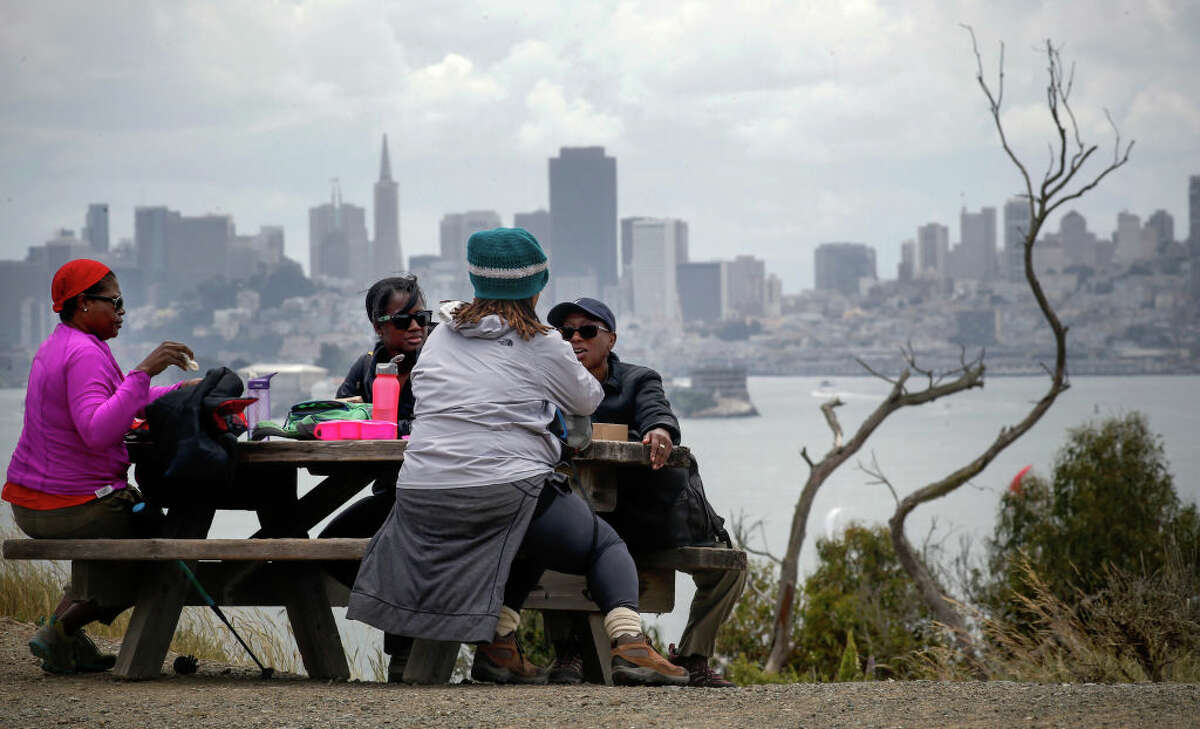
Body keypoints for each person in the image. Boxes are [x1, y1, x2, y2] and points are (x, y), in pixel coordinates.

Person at [347, 228, 689, 686]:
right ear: (536, 286)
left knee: (527, 530)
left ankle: (501, 647)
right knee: (603, 545)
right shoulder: (542, 342)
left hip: (421, 499)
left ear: (476, 280)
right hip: (506, 490)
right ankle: (630, 646)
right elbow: (587, 399)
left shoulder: (441, 339)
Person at [3, 259, 197, 675]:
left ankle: (65, 640)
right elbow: (96, 430)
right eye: (116, 303)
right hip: (69, 506)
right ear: (84, 303)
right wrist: (146, 369)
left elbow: (115, 403)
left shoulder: (64, 344)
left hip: (36, 503)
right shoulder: (83, 354)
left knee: (124, 531)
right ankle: (62, 630)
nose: (122, 313)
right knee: (157, 542)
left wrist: (178, 392)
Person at [543, 296, 747, 687]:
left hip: (644, 519)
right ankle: (569, 654)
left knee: (728, 567)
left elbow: (658, 411)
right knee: (550, 542)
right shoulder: (548, 384)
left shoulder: (639, 379)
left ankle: (693, 657)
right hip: (578, 522)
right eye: (565, 332)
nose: (574, 339)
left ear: (611, 340)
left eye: (587, 331)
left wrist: (660, 431)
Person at [320, 275, 431, 681]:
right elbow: (341, 412)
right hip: (391, 490)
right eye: (403, 321)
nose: (416, 327)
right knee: (331, 545)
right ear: (378, 326)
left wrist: (387, 423)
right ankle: (408, 620)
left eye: (422, 317)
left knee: (396, 546)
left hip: (437, 490)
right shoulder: (368, 365)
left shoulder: (443, 361)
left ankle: (406, 650)